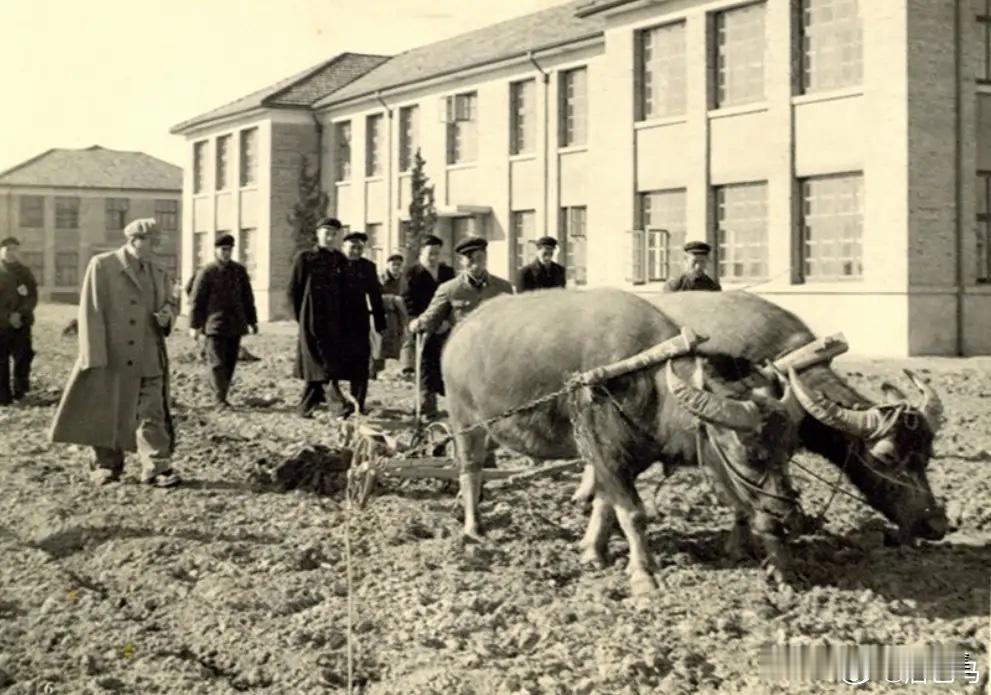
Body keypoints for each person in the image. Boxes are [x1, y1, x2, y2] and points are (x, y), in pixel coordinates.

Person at [49, 218, 182, 488]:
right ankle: (106, 465)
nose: (155, 247)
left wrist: (168, 314)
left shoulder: (158, 270)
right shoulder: (103, 266)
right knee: (106, 411)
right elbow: (91, 311)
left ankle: (157, 467)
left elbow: (170, 302)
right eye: (151, 241)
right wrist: (93, 356)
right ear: (134, 240)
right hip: (111, 355)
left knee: (151, 412)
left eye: (158, 241)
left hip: (148, 353)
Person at [289, 219, 386, 418]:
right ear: (318, 233)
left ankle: (305, 407)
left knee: (324, 364)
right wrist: (301, 318)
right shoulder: (305, 258)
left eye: (334, 234)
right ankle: (338, 406)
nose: (330, 237)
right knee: (321, 364)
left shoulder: (338, 260)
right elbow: (294, 291)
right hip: (312, 319)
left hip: (333, 320)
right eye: (327, 233)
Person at [188, 233, 258, 408]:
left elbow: (247, 297)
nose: (226, 253)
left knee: (229, 363)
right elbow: (196, 298)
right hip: (215, 325)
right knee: (217, 363)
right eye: (223, 249)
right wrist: (194, 325)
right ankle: (219, 399)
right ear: (215, 251)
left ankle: (223, 396)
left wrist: (252, 320)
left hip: (235, 325)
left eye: (229, 250)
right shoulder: (207, 271)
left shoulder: (239, 271)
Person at [410, 236, 513, 348]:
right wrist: (420, 323)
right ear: (461, 261)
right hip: (463, 350)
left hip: (496, 350)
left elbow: (514, 320)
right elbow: (432, 317)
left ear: (486, 257)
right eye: (470, 259)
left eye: (479, 258)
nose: (475, 264)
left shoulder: (503, 288)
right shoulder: (449, 289)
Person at [401, 235, 455, 419]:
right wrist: (415, 321)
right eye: (430, 253)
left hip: (444, 326)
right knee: (425, 366)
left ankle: (453, 404)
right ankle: (426, 407)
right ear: (421, 253)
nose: (433, 257)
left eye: (437, 254)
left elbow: (452, 299)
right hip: (421, 325)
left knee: (446, 363)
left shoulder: (447, 272)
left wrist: (447, 321)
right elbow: (408, 301)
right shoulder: (411, 273)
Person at [0, 237, 38, 405]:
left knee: (23, 357)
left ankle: (21, 393)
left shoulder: (25, 272)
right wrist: (8, 316)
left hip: (22, 323)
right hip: (1, 325)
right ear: (1, 251)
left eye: (15, 249)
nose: (11, 253)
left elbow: (32, 296)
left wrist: (21, 314)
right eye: (8, 249)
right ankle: (3, 397)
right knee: (1, 360)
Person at [372, 253, 407, 378]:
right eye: (393, 264)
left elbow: (406, 295)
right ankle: (373, 371)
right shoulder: (380, 279)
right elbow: (374, 297)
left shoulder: (403, 280)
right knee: (379, 343)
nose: (396, 267)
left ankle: (395, 369)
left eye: (398, 265)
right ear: (388, 265)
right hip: (383, 314)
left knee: (395, 341)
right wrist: (392, 299)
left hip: (396, 316)